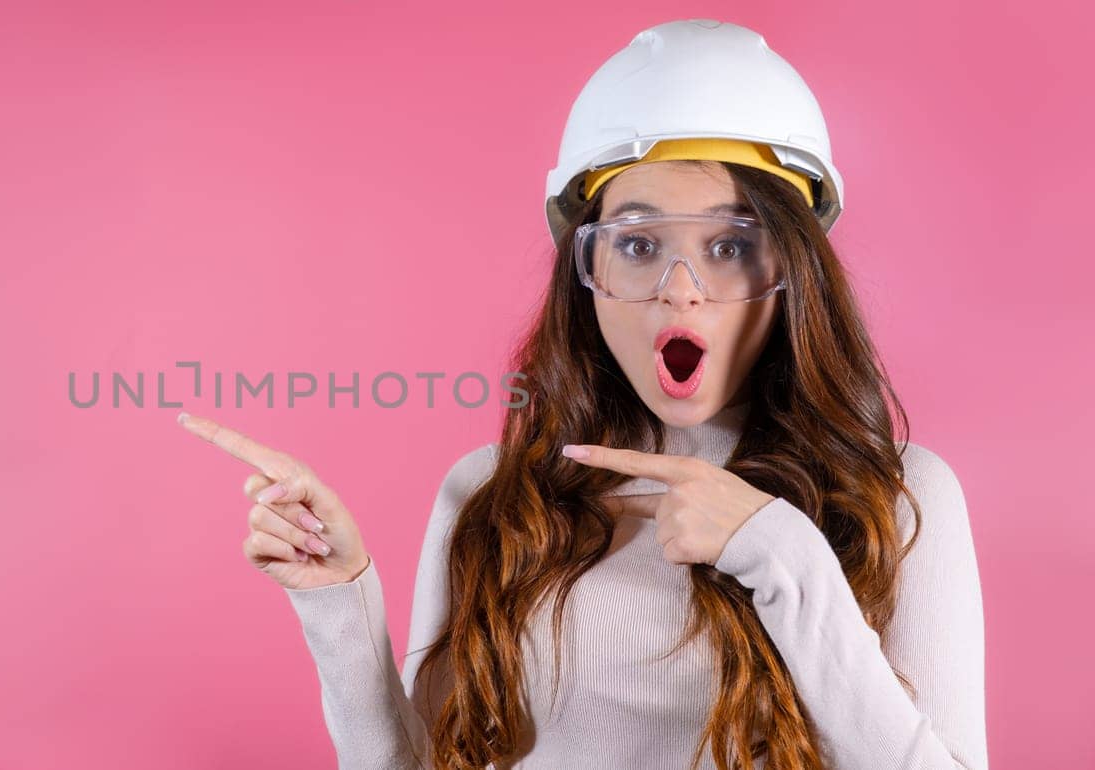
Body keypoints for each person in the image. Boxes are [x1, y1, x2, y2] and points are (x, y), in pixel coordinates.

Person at [177, 18, 986, 770]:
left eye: (731, 245)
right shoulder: (493, 493)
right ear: (586, 275)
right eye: (636, 243)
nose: (682, 291)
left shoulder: (903, 497)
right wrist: (338, 603)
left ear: (793, 274)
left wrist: (785, 554)